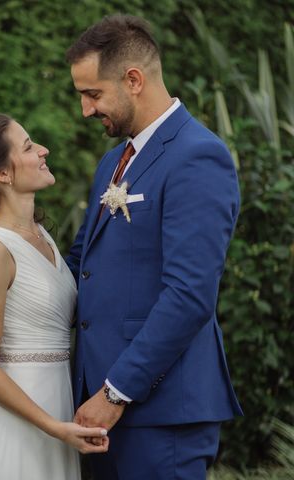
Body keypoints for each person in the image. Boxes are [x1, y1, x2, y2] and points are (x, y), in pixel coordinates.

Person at [65, 14, 243, 479]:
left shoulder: (197, 156)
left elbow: (189, 295)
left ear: (134, 80)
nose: (86, 109)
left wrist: (115, 393)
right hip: (96, 410)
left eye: (93, 94)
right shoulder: (112, 163)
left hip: (160, 413)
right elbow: (81, 262)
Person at [0, 113, 108, 479]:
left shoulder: (40, 235)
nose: (43, 150)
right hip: (13, 433)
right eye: (28, 147)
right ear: (2, 174)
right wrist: (54, 426)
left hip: (55, 425)